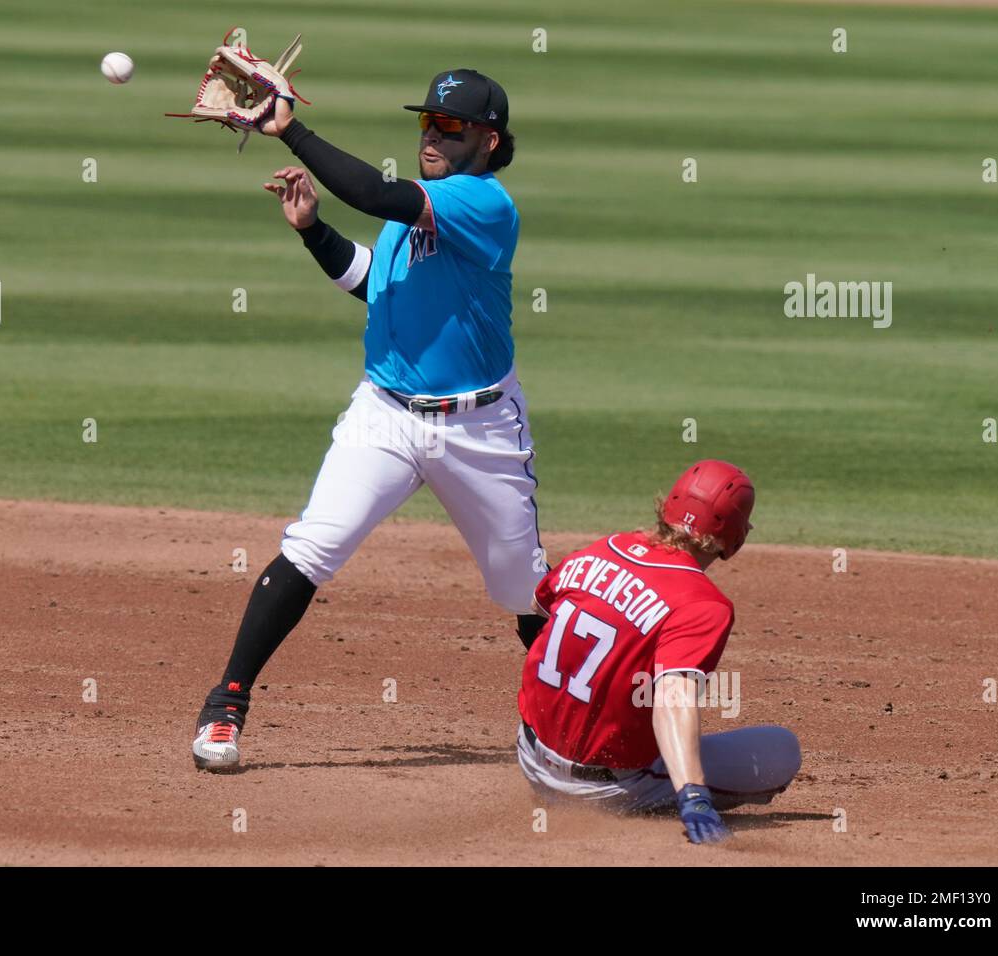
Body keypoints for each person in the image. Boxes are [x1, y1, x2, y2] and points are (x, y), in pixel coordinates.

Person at [193, 70, 548, 771]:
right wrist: (312, 231)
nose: (432, 137)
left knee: (523, 589)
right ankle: (225, 706)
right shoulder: (413, 215)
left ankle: (591, 723)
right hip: (383, 416)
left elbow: (375, 192)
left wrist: (287, 125)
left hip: (479, 430)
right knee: (312, 547)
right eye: (426, 124)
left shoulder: (482, 203)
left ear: (488, 140)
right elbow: (374, 287)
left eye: (449, 128)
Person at [516, 459, 801, 843]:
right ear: (733, 536)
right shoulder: (704, 605)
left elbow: (538, 608)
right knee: (782, 750)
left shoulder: (606, 546)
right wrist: (694, 796)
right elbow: (672, 698)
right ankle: (655, 797)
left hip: (530, 756)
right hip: (606, 787)